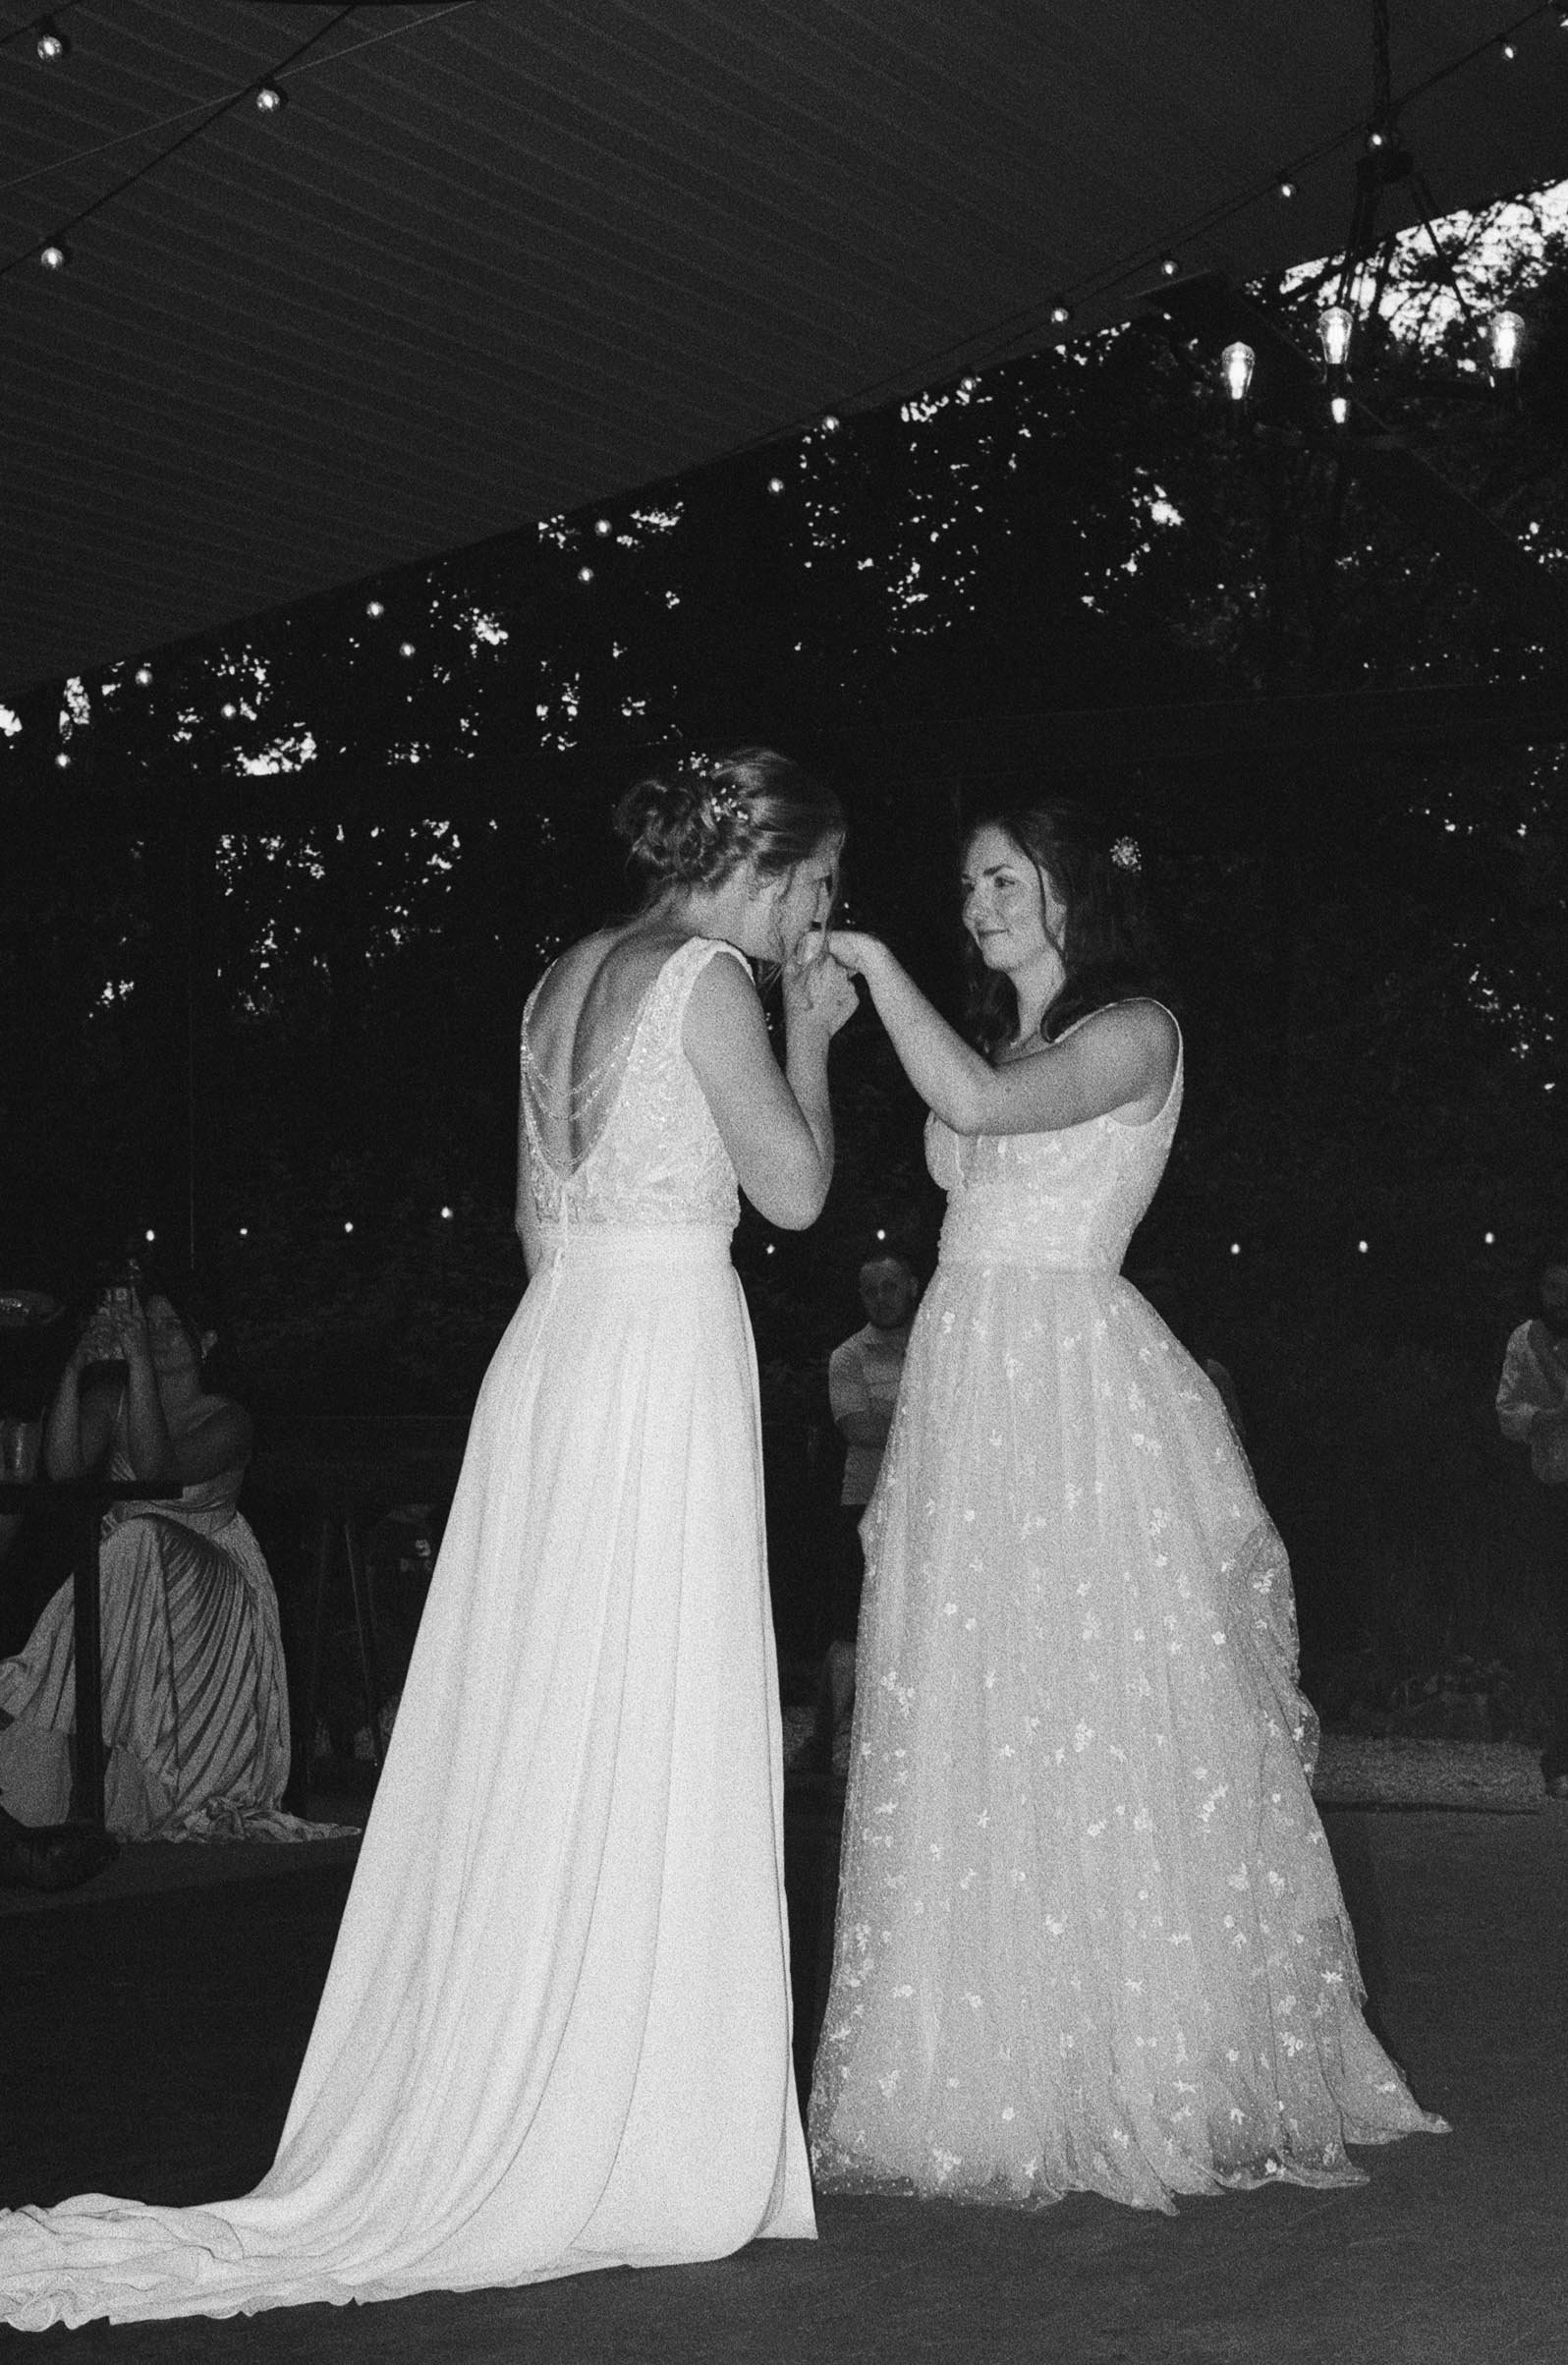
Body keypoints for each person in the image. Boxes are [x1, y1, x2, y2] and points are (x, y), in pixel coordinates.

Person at [0, 746, 856, 2329]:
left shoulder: (560, 978)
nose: (826, 909)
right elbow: (795, 1192)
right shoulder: (715, 978)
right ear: (772, 866)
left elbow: (540, 1220)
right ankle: (629, 2100)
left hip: (555, 1349)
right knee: (646, 1702)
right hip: (660, 1345)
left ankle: (542, 2042)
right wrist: (812, 1034)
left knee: (549, 1714)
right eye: (821, 880)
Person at [809, 800, 1445, 2212]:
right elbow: (964, 1114)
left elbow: (973, 1116)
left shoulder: (1135, 1031)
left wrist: (874, 960)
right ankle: (985, 2061)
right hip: (971, 1378)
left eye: (1000, 875)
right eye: (966, 879)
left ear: (1071, 890)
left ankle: (1145, 2055)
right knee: (984, 1699)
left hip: (1066, 1386)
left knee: (1100, 1698)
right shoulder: (1014, 1043)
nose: (975, 898)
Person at [0, 1270, 291, 1843]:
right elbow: (61, 1469)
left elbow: (158, 1474)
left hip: (213, 1587)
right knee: (126, 1548)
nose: (154, 1337)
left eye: (167, 1328)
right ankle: (61, 1775)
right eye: (145, 1326)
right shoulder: (116, 1401)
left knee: (139, 1538)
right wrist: (76, 1365)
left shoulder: (228, 1418)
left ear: (203, 1342)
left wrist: (133, 1355)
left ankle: (28, 1688)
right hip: (129, 1575)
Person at [820, 1252, 921, 1748]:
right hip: (864, 1501)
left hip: (924, 1503)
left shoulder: (934, 1346)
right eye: (871, 1289)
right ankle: (821, 1740)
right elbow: (856, 1426)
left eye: (891, 1286)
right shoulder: (847, 1356)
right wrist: (923, 1423)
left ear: (912, 1287)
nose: (882, 1298)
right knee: (849, 1629)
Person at [1495, 1245, 1568, 1796]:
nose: (1560, 1299)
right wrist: (1548, 1418)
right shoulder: (1527, 1340)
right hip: (1550, 1492)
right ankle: (1558, 1754)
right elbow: (1507, 1410)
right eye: (1552, 1288)